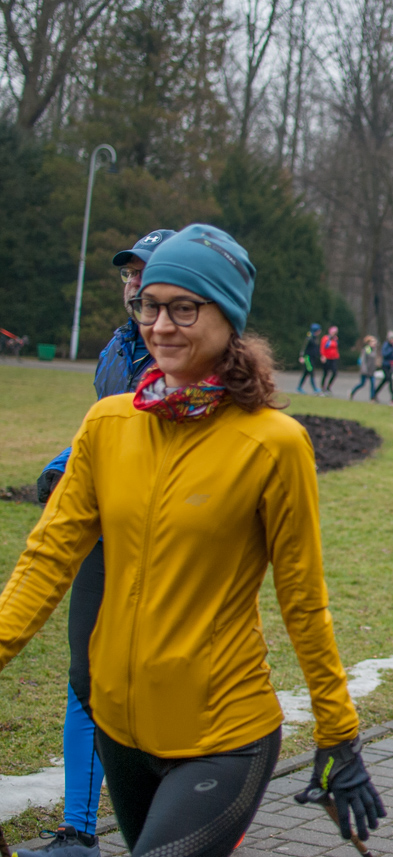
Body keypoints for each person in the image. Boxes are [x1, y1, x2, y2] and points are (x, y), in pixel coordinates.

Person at [0, 224, 385, 857]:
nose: (161, 326)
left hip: (224, 734)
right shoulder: (106, 425)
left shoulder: (274, 443)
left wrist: (338, 733)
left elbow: (303, 599)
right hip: (120, 732)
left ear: (227, 318)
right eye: (150, 306)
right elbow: (47, 559)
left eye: (184, 308)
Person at [20, 229, 174, 857]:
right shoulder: (116, 347)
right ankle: (79, 830)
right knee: (85, 677)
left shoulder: (184, 353)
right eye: (128, 273)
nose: (134, 282)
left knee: (161, 676)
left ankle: (194, 804)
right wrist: (66, 463)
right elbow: (106, 426)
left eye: (146, 272)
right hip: (103, 531)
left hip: (161, 537)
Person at [349, 336, 379, 400]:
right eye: (373, 342)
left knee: (373, 384)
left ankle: (372, 398)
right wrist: (364, 369)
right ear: (369, 343)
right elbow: (363, 360)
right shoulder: (367, 349)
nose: (374, 343)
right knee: (362, 384)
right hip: (365, 370)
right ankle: (352, 392)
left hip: (371, 370)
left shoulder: (374, 349)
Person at [371, 331, 393, 401]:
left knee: (386, 380)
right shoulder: (386, 345)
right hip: (385, 365)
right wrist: (391, 350)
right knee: (389, 379)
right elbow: (384, 354)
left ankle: (374, 393)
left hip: (391, 366)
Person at [297, 323, 322, 394]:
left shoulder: (315, 338)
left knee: (306, 373)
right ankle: (314, 388)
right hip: (307, 358)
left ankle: (299, 387)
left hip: (312, 358)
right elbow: (304, 348)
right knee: (311, 372)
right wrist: (301, 356)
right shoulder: (309, 338)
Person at [320, 326, 340, 393]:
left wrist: (337, 355)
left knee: (334, 372)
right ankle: (323, 387)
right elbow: (322, 347)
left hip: (333, 358)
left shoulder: (335, 339)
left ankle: (329, 386)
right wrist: (323, 356)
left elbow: (336, 348)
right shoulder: (326, 338)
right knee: (325, 373)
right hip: (327, 357)